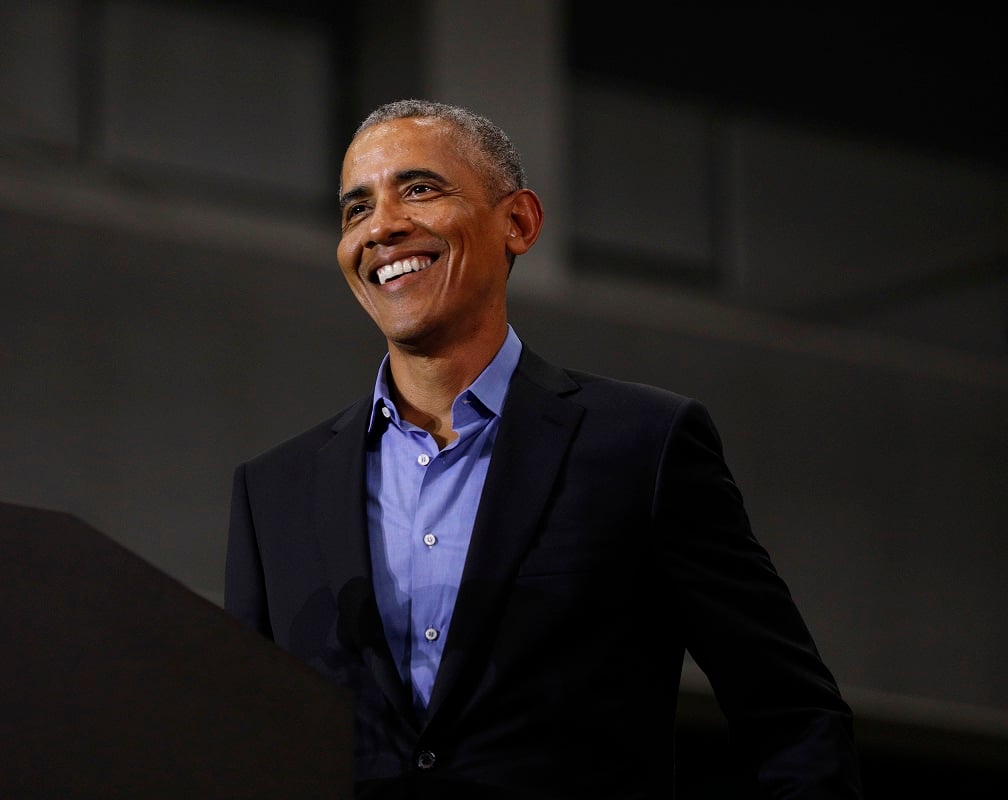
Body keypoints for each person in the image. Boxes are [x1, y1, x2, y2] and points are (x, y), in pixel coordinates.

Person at [225, 99, 863, 799]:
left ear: (519, 222)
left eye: (419, 188)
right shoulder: (273, 492)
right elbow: (241, 744)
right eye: (356, 209)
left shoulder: (641, 444)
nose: (382, 226)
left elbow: (793, 718)